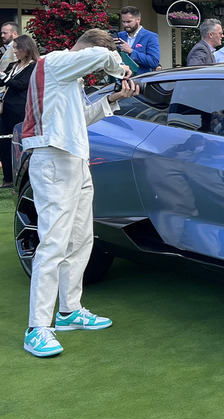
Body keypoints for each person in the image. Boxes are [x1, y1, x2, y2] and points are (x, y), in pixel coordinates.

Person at [20, 29, 138, 357]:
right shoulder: (58, 61)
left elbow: (80, 118)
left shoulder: (67, 75)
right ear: (88, 49)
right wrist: (120, 66)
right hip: (54, 159)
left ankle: (69, 311)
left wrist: (112, 99)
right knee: (54, 243)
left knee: (81, 239)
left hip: (74, 160)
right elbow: (101, 57)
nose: (95, 70)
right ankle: (37, 328)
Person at [1, 35, 37, 188]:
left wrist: (4, 77)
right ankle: (8, 178)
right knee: (3, 144)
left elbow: (21, 85)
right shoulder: (13, 65)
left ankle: (23, 179)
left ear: (26, 48)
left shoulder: (33, 66)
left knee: (19, 145)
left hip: (21, 110)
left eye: (17, 48)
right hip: (6, 109)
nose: (14, 51)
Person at [115, 6, 160, 74]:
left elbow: (154, 62)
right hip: (121, 80)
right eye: (123, 22)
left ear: (138, 20)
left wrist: (131, 51)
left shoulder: (150, 36)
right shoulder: (120, 36)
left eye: (129, 22)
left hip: (140, 81)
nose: (126, 25)